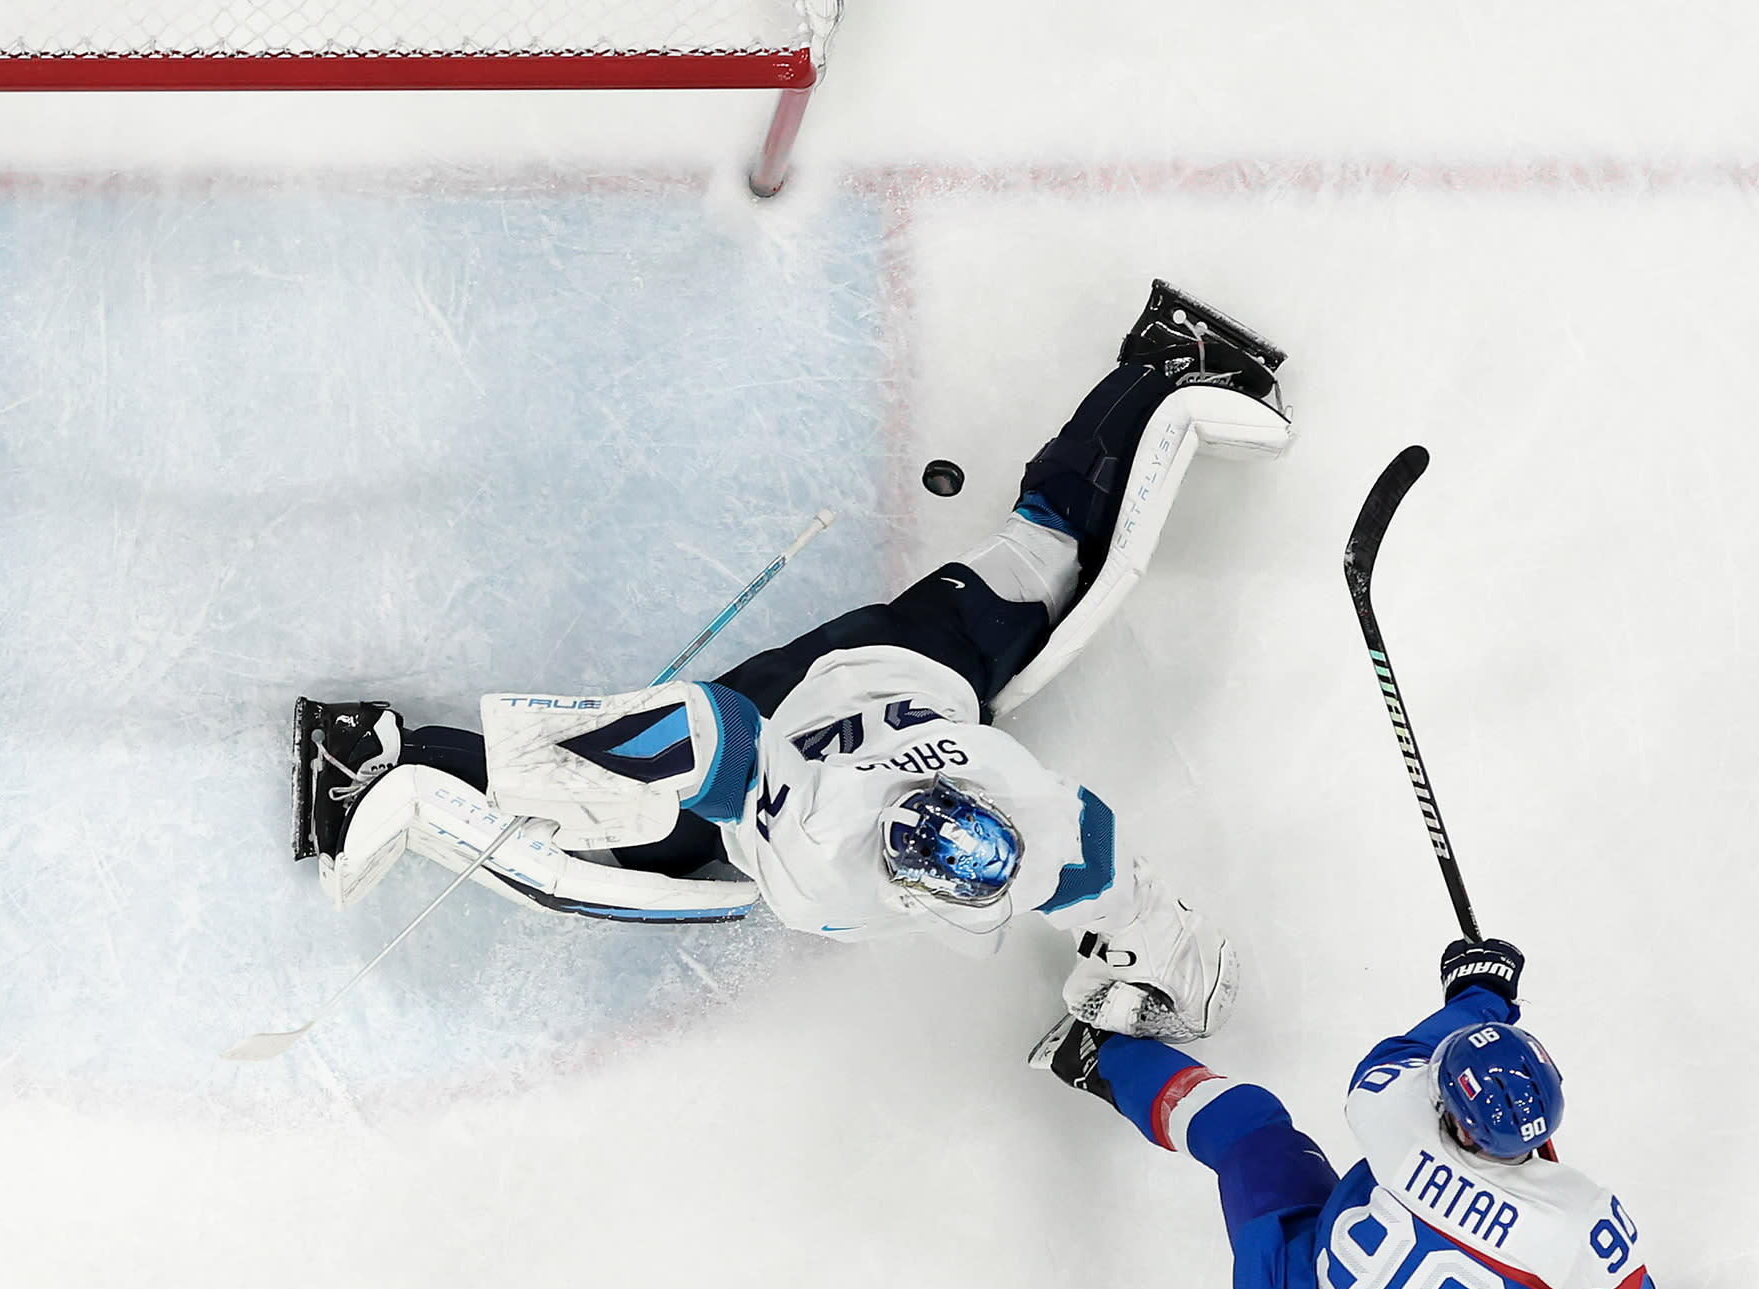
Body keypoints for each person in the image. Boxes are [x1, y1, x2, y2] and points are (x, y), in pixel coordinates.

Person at [290, 281, 1294, 1040]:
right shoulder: (819, 843)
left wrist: (1156, 948)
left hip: (887, 671)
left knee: (1039, 558)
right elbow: (703, 737)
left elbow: (1111, 879)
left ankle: (1163, 364)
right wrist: (561, 749)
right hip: (834, 693)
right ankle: (376, 756)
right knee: (634, 844)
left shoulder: (1031, 826)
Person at [1030, 936, 1741, 1289]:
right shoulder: (1578, 1224)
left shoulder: (1390, 1104)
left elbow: (1414, 1052)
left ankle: (1101, 1055)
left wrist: (1477, 994)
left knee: (1247, 1134)